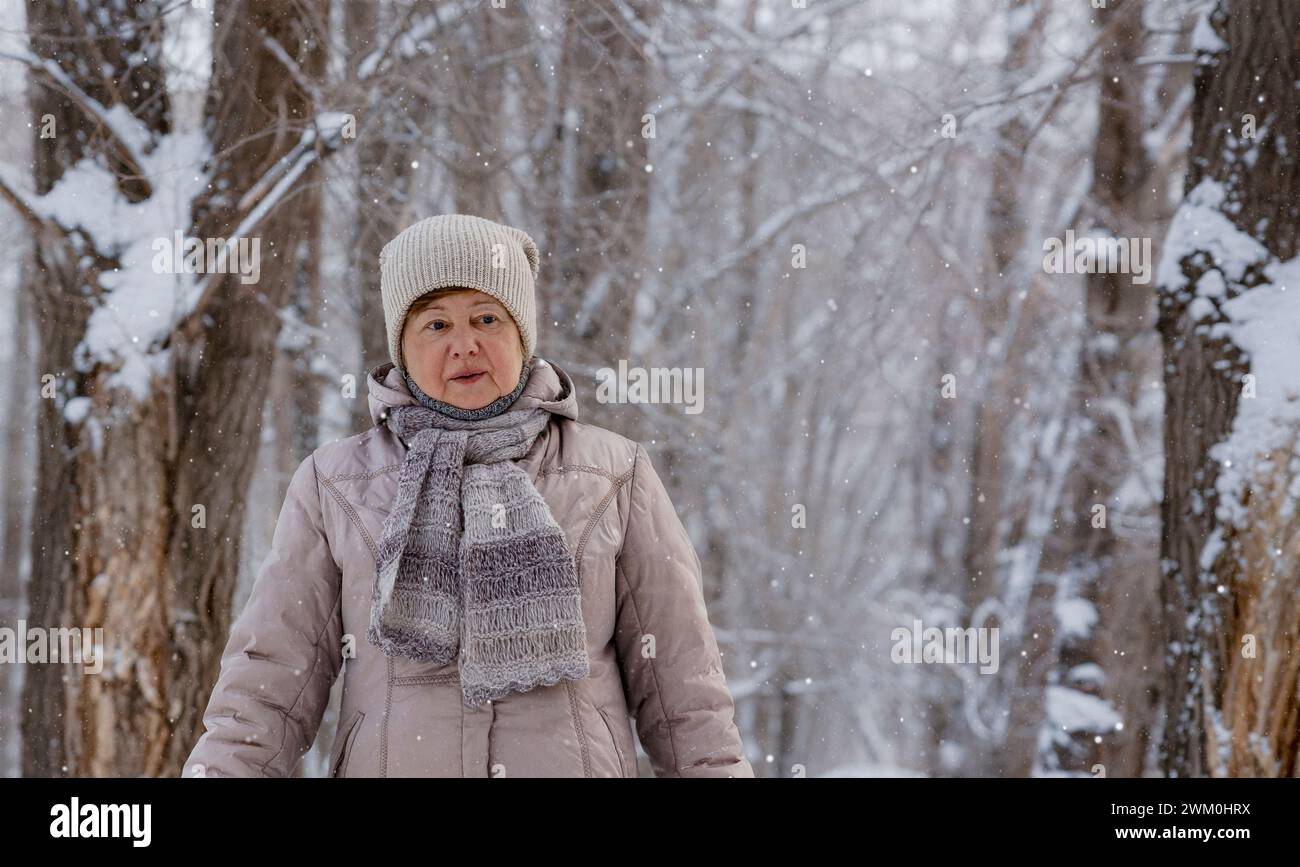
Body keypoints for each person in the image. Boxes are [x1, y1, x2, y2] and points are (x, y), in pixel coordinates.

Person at [182, 213, 753, 778]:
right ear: (401, 347)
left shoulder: (612, 474)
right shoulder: (335, 483)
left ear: (522, 335)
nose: (465, 346)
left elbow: (682, 687)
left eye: (487, 318)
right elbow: (269, 679)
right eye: (435, 325)